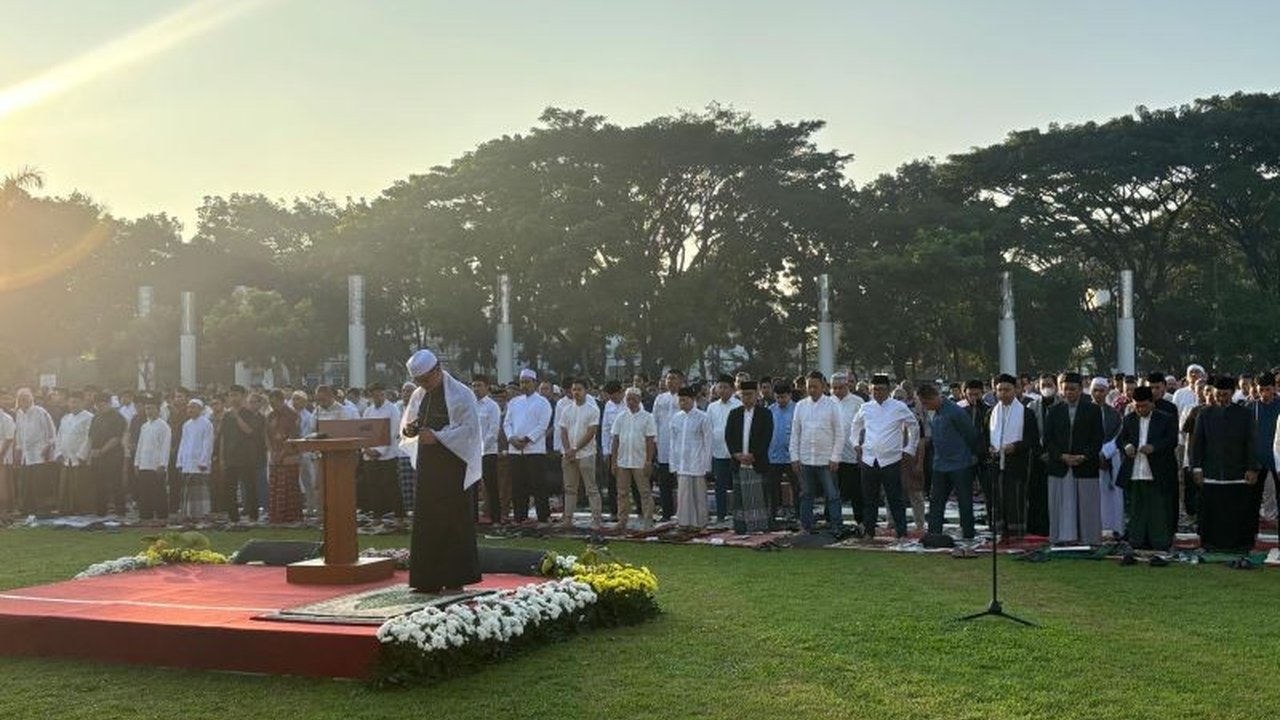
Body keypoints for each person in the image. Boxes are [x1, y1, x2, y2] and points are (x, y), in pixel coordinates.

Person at [400, 349, 483, 593]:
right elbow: (409, 422)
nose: (424, 385)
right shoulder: (419, 394)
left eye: (426, 379)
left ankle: (455, 576)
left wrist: (437, 437)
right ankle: (427, 578)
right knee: (427, 519)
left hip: (453, 464)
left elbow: (468, 431)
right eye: (419, 381)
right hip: (429, 466)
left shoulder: (461, 395)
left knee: (452, 519)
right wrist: (410, 430)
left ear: (438, 370)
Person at [1190, 375, 1259, 553]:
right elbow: (1197, 443)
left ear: (1233, 392)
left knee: (1236, 512)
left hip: (1237, 472)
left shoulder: (1245, 414)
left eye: (1225, 394)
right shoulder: (1204, 413)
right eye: (1218, 394)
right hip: (1211, 472)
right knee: (1211, 512)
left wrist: (1252, 468)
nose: (1221, 398)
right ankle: (1210, 544)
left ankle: (1239, 545)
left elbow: (1251, 442)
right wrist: (1196, 468)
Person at [851, 374, 920, 540]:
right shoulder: (866, 407)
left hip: (891, 459)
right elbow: (855, 425)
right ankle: (869, 531)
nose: (878, 393)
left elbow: (914, 426)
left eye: (881, 389)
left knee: (895, 498)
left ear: (888, 390)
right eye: (875, 389)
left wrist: (909, 448)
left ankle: (901, 532)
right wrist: (855, 444)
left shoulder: (898, 406)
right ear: (870, 390)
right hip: (869, 459)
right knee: (869, 499)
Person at [1043, 372, 1105, 545]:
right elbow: (1048, 440)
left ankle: (1089, 539)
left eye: (1073, 389)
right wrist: (1061, 456)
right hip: (1060, 465)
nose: (1069, 392)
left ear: (1080, 390)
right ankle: (1062, 538)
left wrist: (1083, 456)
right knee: (1061, 504)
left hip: (1085, 465)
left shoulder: (1092, 410)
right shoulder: (1054, 411)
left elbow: (1097, 438)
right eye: (1066, 389)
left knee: (1087, 505)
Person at [1116, 386, 1178, 550]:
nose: (1140, 409)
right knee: (1137, 509)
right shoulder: (1129, 419)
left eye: (1144, 406)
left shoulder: (1165, 418)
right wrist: (1127, 445)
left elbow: (1172, 440)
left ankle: (1159, 542)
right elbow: (1120, 440)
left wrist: (1154, 447)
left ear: (1152, 403)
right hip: (1136, 470)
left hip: (1157, 470)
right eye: (1137, 406)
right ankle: (1137, 541)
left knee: (1157, 509)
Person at [916, 383, 979, 539]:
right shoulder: (933, 412)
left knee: (964, 501)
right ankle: (934, 533)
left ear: (934, 398)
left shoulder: (956, 412)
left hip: (960, 463)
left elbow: (970, 435)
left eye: (926, 403)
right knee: (936, 501)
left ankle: (968, 534)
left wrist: (972, 456)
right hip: (940, 464)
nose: (925, 406)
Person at [986, 374, 1041, 539]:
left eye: (1007, 390)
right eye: (999, 390)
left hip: (1017, 463)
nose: (1003, 393)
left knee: (1015, 499)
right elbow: (984, 437)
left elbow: (1032, 439)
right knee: (998, 499)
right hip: (996, 463)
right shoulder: (991, 412)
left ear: (1016, 390)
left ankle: (1017, 534)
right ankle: (1000, 534)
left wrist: (1015, 447)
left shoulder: (1026, 413)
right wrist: (988, 448)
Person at [789, 371, 844, 534]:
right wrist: (794, 457)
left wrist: (835, 457)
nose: (812, 390)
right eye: (809, 387)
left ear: (823, 387)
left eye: (815, 386)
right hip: (805, 459)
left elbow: (839, 433)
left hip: (826, 460)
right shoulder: (800, 406)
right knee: (806, 495)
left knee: (832, 495)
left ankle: (837, 526)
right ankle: (806, 526)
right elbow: (795, 433)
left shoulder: (833, 405)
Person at [503, 369, 552, 524]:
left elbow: (542, 425)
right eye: (522, 382)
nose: (524, 385)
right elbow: (507, 423)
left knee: (538, 485)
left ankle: (543, 516)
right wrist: (512, 438)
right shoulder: (514, 402)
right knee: (518, 485)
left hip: (534, 449)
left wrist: (526, 440)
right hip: (515, 450)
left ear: (534, 383)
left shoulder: (543, 402)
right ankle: (520, 517)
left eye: (527, 382)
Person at [725, 381, 773, 534]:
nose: (746, 398)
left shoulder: (765, 414)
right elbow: (728, 436)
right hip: (739, 462)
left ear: (757, 395)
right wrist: (736, 454)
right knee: (740, 497)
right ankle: (741, 527)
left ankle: (760, 526)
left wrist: (754, 455)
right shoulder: (734, 414)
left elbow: (767, 437)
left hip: (757, 462)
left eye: (749, 394)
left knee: (759, 496)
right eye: (743, 394)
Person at [558, 378, 603, 529]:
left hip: (586, 454)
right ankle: (568, 519)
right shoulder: (566, 410)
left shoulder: (593, 409)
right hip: (569, 455)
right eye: (574, 389)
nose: (576, 392)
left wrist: (575, 449)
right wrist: (567, 450)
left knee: (591, 488)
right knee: (569, 488)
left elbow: (591, 433)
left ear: (586, 391)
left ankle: (596, 519)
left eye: (579, 389)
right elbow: (563, 431)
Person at [611, 387, 658, 531]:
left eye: (633, 399)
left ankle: (648, 520)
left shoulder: (647, 417)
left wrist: (649, 461)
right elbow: (615, 440)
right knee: (622, 492)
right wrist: (614, 461)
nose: (630, 402)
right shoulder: (621, 417)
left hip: (640, 461)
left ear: (639, 400)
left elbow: (650, 441)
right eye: (628, 399)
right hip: (623, 461)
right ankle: (622, 520)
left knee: (644, 492)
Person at [359, 383, 403, 523]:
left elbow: (393, 432)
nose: (378, 398)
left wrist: (379, 451)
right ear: (371, 396)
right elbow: (363, 431)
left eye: (381, 395)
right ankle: (377, 515)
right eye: (375, 395)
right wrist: (366, 449)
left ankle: (399, 516)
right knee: (373, 486)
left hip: (388, 454)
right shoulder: (368, 411)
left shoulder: (393, 409)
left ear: (384, 394)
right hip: (369, 454)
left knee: (391, 485)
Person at [219, 385, 265, 523]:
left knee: (250, 487)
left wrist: (237, 417)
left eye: (236, 395)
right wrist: (221, 458)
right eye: (231, 395)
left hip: (246, 456)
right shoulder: (226, 415)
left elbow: (250, 431)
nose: (233, 398)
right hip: (230, 457)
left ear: (243, 396)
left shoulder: (249, 413)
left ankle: (253, 516)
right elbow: (223, 437)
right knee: (230, 488)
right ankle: (234, 517)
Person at [669, 387, 713, 530]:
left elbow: (708, 442)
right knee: (683, 495)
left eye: (685, 399)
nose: (682, 402)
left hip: (698, 461)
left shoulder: (703, 417)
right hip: (681, 462)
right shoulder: (676, 418)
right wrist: (673, 464)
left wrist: (707, 465)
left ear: (693, 400)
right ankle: (684, 522)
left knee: (698, 495)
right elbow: (673, 442)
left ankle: (700, 523)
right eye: (680, 400)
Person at [1091, 377, 1125, 538]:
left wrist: (1105, 453)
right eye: (1095, 390)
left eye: (1101, 390)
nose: (1098, 393)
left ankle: (1113, 528)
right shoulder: (1084, 411)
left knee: (1112, 496)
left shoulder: (1114, 414)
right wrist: (1096, 454)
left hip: (1112, 459)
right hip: (1089, 460)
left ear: (1107, 392)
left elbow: (1119, 436)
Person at [706, 375, 743, 524]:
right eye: (719, 387)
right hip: (718, 452)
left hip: (735, 453)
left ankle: (738, 514)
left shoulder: (738, 405)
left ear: (733, 389)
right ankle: (721, 515)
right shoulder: (712, 407)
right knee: (719, 485)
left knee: (736, 485)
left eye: (725, 387)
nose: (722, 390)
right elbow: (708, 430)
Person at [830, 373, 865, 529]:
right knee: (832, 491)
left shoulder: (858, 402)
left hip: (852, 454)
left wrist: (861, 450)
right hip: (833, 456)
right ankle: (833, 521)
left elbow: (864, 428)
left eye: (839, 387)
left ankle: (861, 521)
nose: (836, 391)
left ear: (847, 386)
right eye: (834, 388)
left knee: (856, 491)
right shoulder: (828, 402)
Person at [15, 388, 57, 514]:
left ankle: (41, 509)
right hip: (25, 455)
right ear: (18, 400)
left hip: (39, 453)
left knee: (39, 483)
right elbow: (19, 434)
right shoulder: (19, 414)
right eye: (21, 398)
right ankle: (27, 509)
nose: (24, 401)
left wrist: (48, 446)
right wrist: (18, 450)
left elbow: (51, 431)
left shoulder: (40, 412)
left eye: (26, 398)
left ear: (31, 398)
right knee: (25, 484)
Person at [267, 389, 305, 524]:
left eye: (275, 403)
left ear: (282, 400)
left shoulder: (292, 415)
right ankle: (277, 516)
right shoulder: (271, 415)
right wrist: (272, 452)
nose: (273, 406)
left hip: (290, 454)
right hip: (275, 454)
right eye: (270, 403)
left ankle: (292, 516)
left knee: (290, 486)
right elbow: (267, 436)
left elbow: (294, 437)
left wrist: (283, 453)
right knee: (276, 486)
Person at [54, 391, 94, 515]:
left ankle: (81, 509)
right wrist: (58, 453)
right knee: (65, 485)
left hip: (80, 457)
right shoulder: (66, 418)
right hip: (66, 457)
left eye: (76, 402)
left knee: (80, 485)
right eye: (71, 402)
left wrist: (82, 454)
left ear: (82, 402)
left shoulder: (89, 417)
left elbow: (89, 437)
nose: (73, 405)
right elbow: (59, 436)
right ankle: (66, 509)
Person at [87, 392, 127, 517]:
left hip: (113, 455)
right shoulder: (96, 417)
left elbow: (116, 438)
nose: (100, 408)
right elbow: (90, 437)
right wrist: (90, 453)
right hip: (96, 456)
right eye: (97, 405)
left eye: (102, 405)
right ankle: (100, 511)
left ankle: (120, 510)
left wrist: (102, 451)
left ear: (109, 403)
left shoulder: (118, 417)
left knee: (115, 484)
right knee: (99, 484)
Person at [651, 370, 683, 522]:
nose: (670, 381)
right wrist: (655, 441)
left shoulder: (685, 397)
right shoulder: (660, 398)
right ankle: (666, 513)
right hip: (663, 445)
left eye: (674, 378)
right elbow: (654, 421)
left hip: (680, 446)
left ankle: (683, 512)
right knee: (664, 482)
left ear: (681, 381)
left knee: (681, 481)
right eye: (668, 378)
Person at [133, 396, 172, 522]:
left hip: (156, 465)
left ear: (157, 409)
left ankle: (162, 516)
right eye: (146, 409)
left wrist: (162, 464)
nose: (148, 411)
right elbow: (140, 445)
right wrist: (136, 462)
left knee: (158, 493)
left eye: (150, 408)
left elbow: (165, 447)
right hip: (144, 463)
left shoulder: (164, 426)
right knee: (144, 492)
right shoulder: (144, 426)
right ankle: (145, 516)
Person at [176, 398, 215, 519]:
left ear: (200, 409)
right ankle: (189, 514)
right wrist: (180, 461)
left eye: (193, 407)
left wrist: (204, 461)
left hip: (199, 463)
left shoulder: (206, 423)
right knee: (189, 491)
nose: (190, 410)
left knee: (199, 491)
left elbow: (208, 444)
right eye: (189, 407)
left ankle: (202, 514)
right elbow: (183, 443)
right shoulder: (186, 425)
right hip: (187, 463)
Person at [472, 376, 503, 524]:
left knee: (491, 486)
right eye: (474, 386)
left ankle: (496, 518)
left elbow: (493, 430)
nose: (476, 389)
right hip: (471, 453)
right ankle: (473, 519)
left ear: (486, 387)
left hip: (488, 452)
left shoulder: (492, 406)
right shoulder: (470, 405)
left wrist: (482, 447)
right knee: (471, 487)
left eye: (479, 385)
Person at [766, 382, 797, 524]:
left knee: (797, 487)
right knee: (772, 488)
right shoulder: (770, 410)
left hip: (792, 457)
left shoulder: (797, 409)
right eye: (778, 397)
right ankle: (772, 515)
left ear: (789, 395)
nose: (780, 400)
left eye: (783, 397)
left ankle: (798, 514)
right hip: (773, 457)